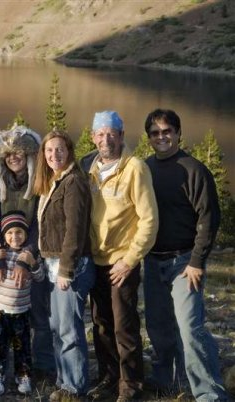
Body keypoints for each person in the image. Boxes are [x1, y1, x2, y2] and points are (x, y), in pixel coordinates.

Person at [143, 109, 228, 401]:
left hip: (184, 262)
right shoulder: (145, 169)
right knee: (158, 326)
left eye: (167, 131)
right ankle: (168, 380)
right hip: (152, 260)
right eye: (155, 133)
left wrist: (196, 262)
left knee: (190, 327)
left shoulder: (194, 169)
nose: (161, 137)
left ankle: (209, 393)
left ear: (178, 133)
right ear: (149, 137)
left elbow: (209, 218)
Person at [86, 111, 158, 402]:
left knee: (124, 326)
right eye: (100, 134)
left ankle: (131, 385)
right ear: (93, 137)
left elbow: (149, 220)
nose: (106, 139)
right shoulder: (89, 168)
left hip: (121, 262)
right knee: (101, 323)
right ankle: (109, 377)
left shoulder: (135, 168)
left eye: (112, 133)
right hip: (95, 260)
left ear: (121, 135)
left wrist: (129, 260)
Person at [0, 124, 55, 379]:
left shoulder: (39, 180)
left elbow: (40, 221)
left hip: (31, 252)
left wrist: (27, 259)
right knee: (4, 310)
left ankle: (42, 364)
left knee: (38, 310)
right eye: (9, 154)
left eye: (19, 152)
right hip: (5, 253)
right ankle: (2, 365)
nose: (13, 157)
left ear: (28, 154)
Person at [34, 130, 95, 401]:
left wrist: (67, 269)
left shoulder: (74, 182)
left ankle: (75, 387)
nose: (54, 155)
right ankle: (64, 380)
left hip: (71, 266)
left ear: (69, 151)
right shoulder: (53, 181)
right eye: (49, 150)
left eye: (59, 149)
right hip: (52, 264)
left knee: (69, 329)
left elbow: (75, 230)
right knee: (57, 327)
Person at [0, 211, 44, 396]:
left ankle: (23, 376)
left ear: (26, 234)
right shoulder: (1, 254)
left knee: (22, 346)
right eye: (10, 233)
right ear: (4, 235)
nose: (15, 237)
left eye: (19, 232)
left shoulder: (28, 256)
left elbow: (40, 277)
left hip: (21, 310)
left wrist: (33, 263)